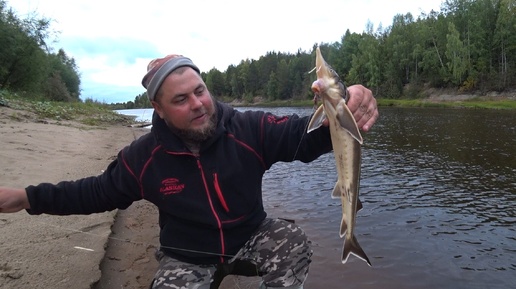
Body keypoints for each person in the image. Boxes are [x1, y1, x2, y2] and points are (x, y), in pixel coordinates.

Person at [0, 54, 378, 289]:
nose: (198, 104)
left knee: (293, 241)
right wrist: (27, 197)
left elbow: (302, 138)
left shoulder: (247, 129)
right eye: (181, 99)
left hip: (249, 237)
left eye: (200, 90)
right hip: (188, 255)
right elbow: (92, 192)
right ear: (158, 109)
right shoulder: (143, 158)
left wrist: (345, 109)